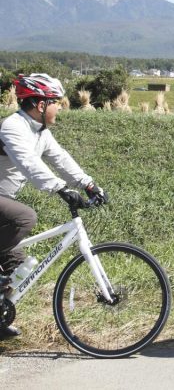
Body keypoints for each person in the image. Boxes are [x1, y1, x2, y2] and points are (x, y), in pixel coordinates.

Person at [0, 74, 107, 338]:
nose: (60, 107)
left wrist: (89, 184)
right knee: (25, 218)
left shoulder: (40, 132)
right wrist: (60, 188)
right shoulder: (13, 127)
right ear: (40, 104)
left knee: (18, 268)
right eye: (56, 102)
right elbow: (28, 163)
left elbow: (61, 158)